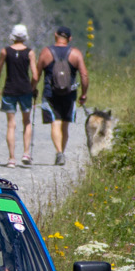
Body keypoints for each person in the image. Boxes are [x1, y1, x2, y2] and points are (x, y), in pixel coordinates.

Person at [34, 25, 89, 167]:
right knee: (65, 125)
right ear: (69, 39)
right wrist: (84, 94)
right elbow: (84, 74)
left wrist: (33, 89)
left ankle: (59, 152)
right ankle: (62, 152)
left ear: (55, 35)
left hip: (50, 93)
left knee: (55, 123)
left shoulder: (46, 52)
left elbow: (37, 74)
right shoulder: (75, 53)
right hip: (69, 94)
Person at [0, 24, 37, 166]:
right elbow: (35, 75)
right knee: (27, 121)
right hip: (25, 90)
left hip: (9, 89)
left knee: (11, 124)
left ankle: (11, 159)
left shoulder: (5, 51)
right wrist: (33, 88)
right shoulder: (30, 52)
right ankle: (26, 153)